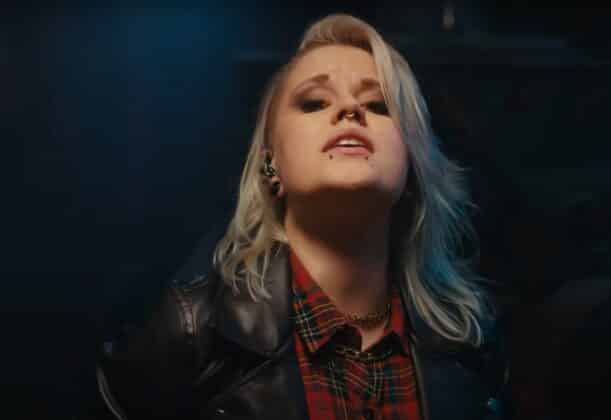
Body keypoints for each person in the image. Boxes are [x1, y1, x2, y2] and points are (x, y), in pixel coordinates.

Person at [80, 13, 511, 420]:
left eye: (379, 104)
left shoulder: (470, 340)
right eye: (314, 102)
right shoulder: (190, 333)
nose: (350, 109)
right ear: (272, 166)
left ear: (412, 166)